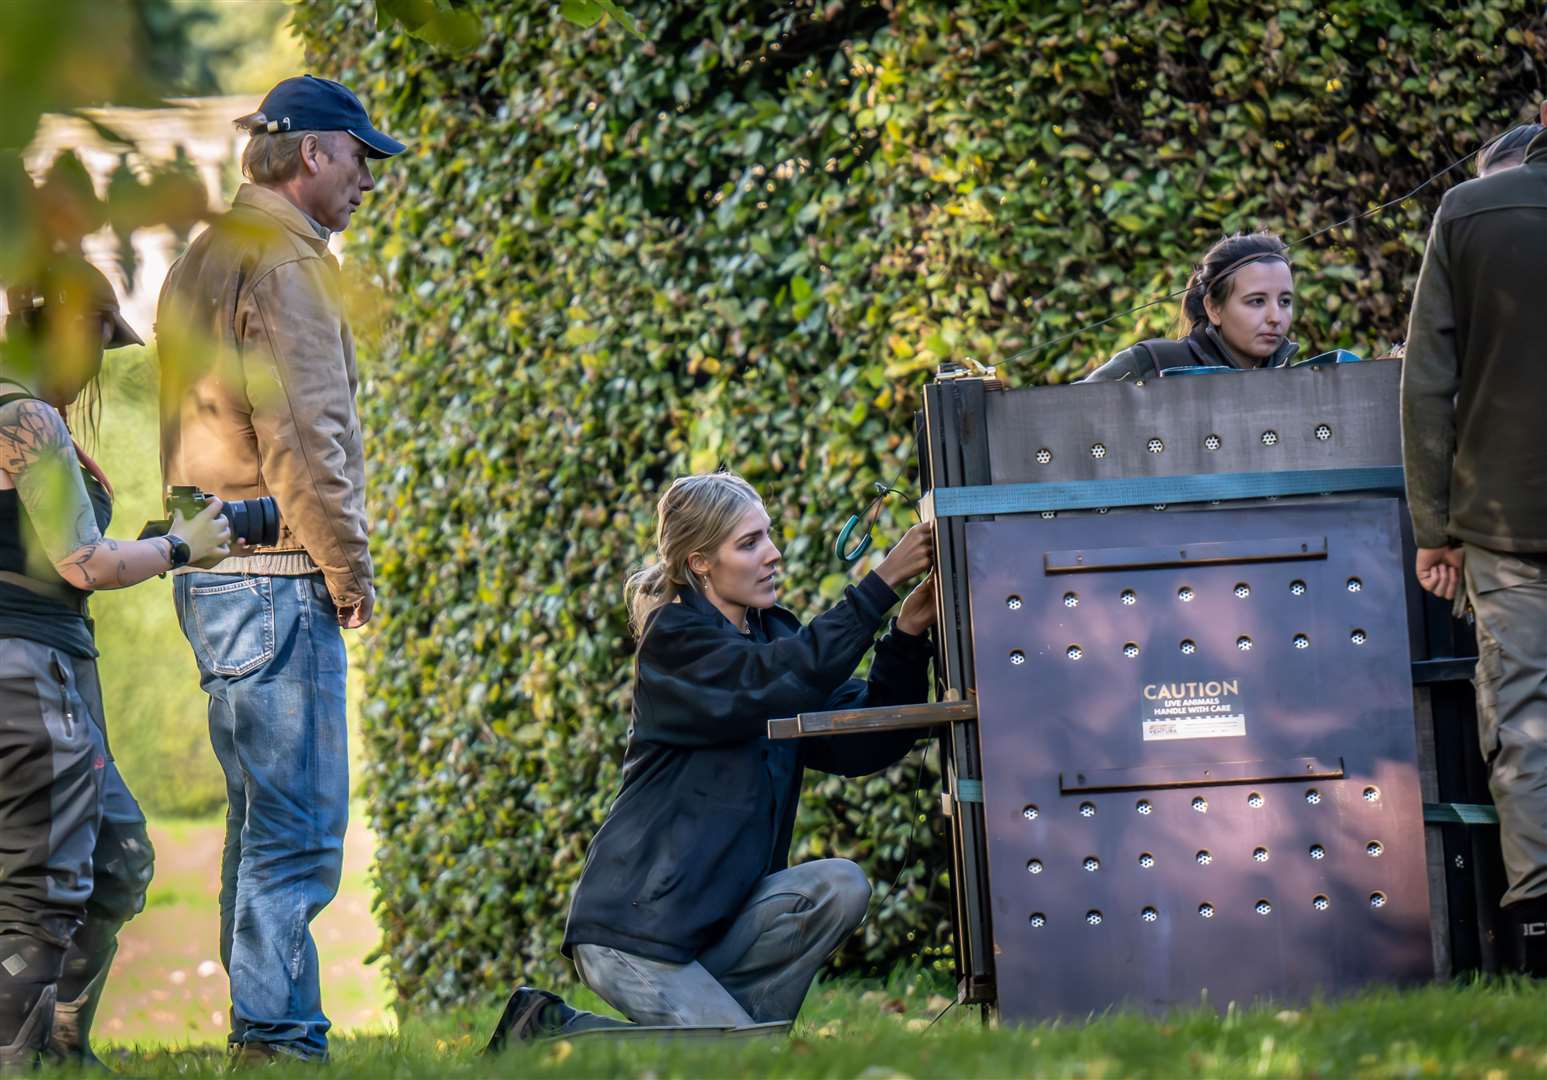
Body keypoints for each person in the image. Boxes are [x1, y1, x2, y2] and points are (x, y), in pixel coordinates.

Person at [485, 472, 937, 1048]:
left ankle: (695, 1038)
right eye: (748, 544)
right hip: (636, 930)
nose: (772, 554)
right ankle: (544, 1040)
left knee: (840, 885)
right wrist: (881, 583)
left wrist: (907, 632)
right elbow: (777, 680)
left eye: (767, 536)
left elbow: (859, 740)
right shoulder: (677, 643)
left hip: (719, 923)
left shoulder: (772, 637)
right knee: (742, 1059)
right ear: (700, 562)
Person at [154, 75, 405, 1063]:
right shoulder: (288, 264)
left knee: (262, 823)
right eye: (360, 157)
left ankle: (266, 1030)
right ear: (312, 154)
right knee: (298, 830)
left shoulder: (204, 253)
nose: (368, 181)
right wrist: (348, 574)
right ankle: (280, 1037)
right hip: (277, 572)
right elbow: (307, 438)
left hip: (215, 572)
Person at [0, 256, 231, 1071]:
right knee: (42, 888)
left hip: (53, 666)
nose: (100, 361)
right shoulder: (22, 415)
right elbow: (82, 564)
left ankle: (62, 1042)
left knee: (117, 856)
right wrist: (179, 546)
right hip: (26, 673)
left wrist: (134, 544)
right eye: (100, 338)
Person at [1403, 106, 1547, 976]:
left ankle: (1538, 927)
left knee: (1526, 718)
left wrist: (1434, 528)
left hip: (1501, 519)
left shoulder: (1469, 211)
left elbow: (1427, 385)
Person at [1084, 231, 1298, 381]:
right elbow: (1064, 416)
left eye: (1285, 301)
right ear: (1213, 308)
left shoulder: (1304, 380)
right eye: (1257, 301)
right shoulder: (1152, 363)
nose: (1275, 317)